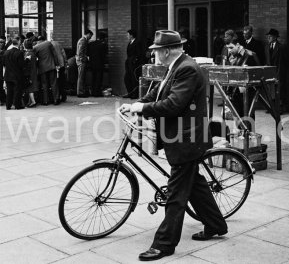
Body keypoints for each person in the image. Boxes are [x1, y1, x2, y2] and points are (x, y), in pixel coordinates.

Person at [119, 30, 227, 261]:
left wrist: (143, 109)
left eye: (156, 51)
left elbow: (173, 104)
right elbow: (158, 94)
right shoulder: (176, 66)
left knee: (176, 196)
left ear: (166, 51)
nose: (154, 54)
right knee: (195, 184)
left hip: (186, 140)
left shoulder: (186, 68)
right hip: (182, 138)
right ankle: (216, 224)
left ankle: (164, 244)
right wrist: (137, 104)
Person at [34, 35, 60, 105]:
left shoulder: (35, 47)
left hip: (42, 68)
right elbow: (55, 54)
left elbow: (35, 58)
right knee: (53, 83)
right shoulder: (48, 43)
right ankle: (56, 99)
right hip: (51, 66)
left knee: (44, 84)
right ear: (43, 39)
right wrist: (57, 64)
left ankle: (46, 101)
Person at [265, 28, 286, 112]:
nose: (268, 38)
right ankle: (272, 107)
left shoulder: (281, 47)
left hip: (278, 71)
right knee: (271, 90)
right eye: (268, 36)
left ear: (275, 37)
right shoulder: (266, 47)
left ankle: (280, 108)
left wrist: (279, 74)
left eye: (270, 36)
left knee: (279, 90)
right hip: (269, 72)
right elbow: (267, 60)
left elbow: (282, 62)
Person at [3, 38, 25, 110]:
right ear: (18, 43)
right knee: (17, 90)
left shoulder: (6, 52)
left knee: (9, 91)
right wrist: (27, 60)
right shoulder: (19, 53)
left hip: (8, 74)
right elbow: (21, 65)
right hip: (17, 75)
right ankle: (17, 105)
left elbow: (3, 63)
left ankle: (8, 106)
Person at [124, 29, 142, 99]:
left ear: (131, 35)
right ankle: (130, 93)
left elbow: (139, 53)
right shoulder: (130, 43)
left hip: (134, 64)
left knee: (134, 79)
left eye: (128, 35)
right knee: (127, 78)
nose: (127, 36)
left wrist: (135, 60)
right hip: (129, 63)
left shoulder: (137, 42)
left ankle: (135, 94)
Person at [88, 32, 108, 97]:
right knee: (99, 78)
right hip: (100, 64)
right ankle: (97, 92)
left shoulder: (91, 44)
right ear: (104, 38)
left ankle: (93, 91)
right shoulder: (103, 45)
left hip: (92, 63)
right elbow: (104, 55)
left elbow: (88, 53)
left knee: (93, 78)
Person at [51, 34, 68, 103]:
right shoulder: (58, 44)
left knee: (55, 82)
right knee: (62, 81)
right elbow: (63, 54)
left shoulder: (49, 45)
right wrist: (66, 63)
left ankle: (56, 97)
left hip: (54, 65)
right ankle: (64, 96)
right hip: (61, 65)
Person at [76, 29, 93, 98]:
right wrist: (85, 58)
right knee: (81, 77)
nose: (91, 37)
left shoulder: (83, 40)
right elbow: (80, 52)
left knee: (81, 77)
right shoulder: (83, 40)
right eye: (91, 35)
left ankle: (81, 91)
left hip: (80, 60)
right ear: (88, 34)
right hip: (81, 61)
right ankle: (80, 92)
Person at [23, 37, 39, 107]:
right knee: (31, 87)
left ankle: (33, 102)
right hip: (34, 71)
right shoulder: (33, 53)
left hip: (29, 73)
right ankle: (31, 101)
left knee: (29, 88)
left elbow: (26, 64)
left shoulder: (28, 53)